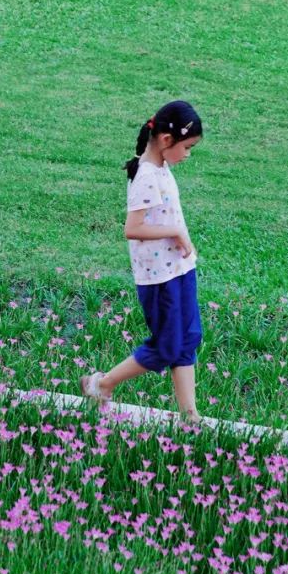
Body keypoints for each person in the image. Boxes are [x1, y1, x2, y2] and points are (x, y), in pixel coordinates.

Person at [82, 100, 204, 426]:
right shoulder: (145, 177)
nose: (189, 154)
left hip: (180, 269)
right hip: (159, 278)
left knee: (187, 339)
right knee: (166, 346)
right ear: (166, 140)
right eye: (188, 147)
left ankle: (189, 416)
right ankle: (102, 383)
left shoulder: (161, 169)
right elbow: (132, 229)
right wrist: (176, 231)